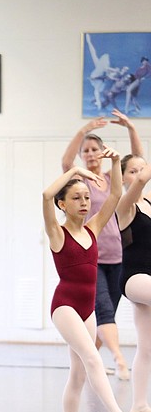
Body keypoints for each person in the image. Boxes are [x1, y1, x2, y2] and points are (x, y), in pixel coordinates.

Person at [43, 147, 136, 412]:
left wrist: (114, 162)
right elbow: (45, 196)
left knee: (79, 373)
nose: (84, 202)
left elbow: (114, 197)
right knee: (93, 358)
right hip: (65, 306)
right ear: (63, 204)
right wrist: (76, 172)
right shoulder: (57, 233)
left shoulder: (93, 229)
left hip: (87, 309)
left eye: (86, 197)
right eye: (76, 198)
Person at [61, 109, 145, 380]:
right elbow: (65, 161)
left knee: (102, 315)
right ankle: (120, 361)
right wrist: (82, 131)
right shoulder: (80, 182)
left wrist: (132, 128)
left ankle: (90, 362)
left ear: (102, 152)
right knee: (104, 310)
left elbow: (137, 164)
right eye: (86, 150)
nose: (90, 154)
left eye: (95, 149)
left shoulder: (112, 180)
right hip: (92, 258)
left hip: (118, 257)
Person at [116, 153, 151, 412]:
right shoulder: (124, 206)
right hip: (134, 277)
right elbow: (141, 179)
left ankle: (139, 405)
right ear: (124, 176)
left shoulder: (149, 202)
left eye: (141, 168)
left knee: (146, 347)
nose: (138, 173)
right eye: (133, 170)